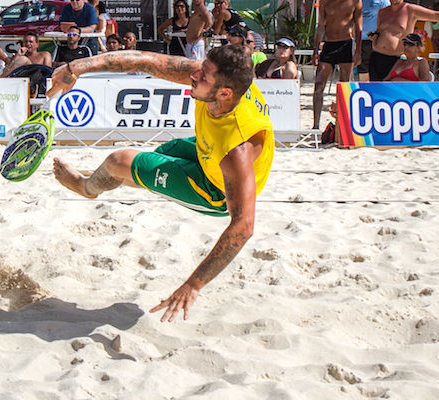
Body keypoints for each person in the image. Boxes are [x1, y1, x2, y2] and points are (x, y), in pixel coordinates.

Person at [46, 46, 273, 322]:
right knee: (153, 158)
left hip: (215, 190)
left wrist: (194, 285)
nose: (194, 73)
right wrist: (75, 68)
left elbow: (243, 228)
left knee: (120, 161)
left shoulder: (235, 151)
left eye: (203, 76)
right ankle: (108, 176)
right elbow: (145, 61)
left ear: (224, 93)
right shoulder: (225, 82)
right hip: (206, 152)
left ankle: (84, 186)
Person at [369, 0, 439, 81]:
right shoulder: (382, 12)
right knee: (375, 95)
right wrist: (375, 36)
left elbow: (434, 15)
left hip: (397, 59)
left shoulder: (410, 10)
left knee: (396, 93)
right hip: (376, 56)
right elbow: (380, 31)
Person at [311, 0, 361, 130]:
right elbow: (320, 25)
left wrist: (358, 51)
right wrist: (316, 49)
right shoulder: (325, 2)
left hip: (346, 43)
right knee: (318, 84)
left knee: (344, 86)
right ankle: (315, 125)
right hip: (329, 43)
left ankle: (342, 125)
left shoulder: (355, 1)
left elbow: (358, 27)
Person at [1, 32, 53, 97]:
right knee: (22, 59)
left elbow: (48, 72)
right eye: (26, 42)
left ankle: (0, 80)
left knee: (24, 60)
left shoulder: (45, 55)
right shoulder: (19, 57)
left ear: (37, 44)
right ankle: (0, 81)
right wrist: (17, 55)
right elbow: (7, 70)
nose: (28, 44)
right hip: (21, 84)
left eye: (31, 42)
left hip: (38, 83)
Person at [359, 0, 390, 81]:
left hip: (376, 40)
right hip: (359, 40)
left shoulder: (383, 1)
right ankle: (365, 89)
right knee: (363, 69)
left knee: (378, 68)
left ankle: (377, 90)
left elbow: (388, 20)